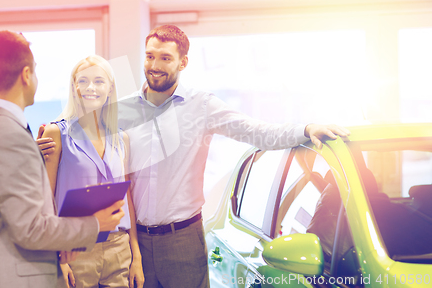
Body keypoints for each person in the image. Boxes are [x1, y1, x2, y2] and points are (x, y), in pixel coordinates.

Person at [39, 25, 350, 288]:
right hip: (133, 244)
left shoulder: (202, 106)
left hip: (183, 242)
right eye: (149, 56)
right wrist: (40, 145)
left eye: (165, 58)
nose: (155, 65)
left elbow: (257, 132)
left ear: (183, 62)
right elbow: (80, 128)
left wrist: (306, 128)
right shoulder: (121, 111)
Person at [0, 31, 125, 288]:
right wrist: (94, 225)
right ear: (26, 75)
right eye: (35, 71)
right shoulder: (11, 138)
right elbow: (30, 229)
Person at [39, 55, 144, 288]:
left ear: (110, 88)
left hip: (118, 248)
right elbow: (46, 201)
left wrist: (136, 256)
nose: (90, 87)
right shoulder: (56, 134)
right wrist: (58, 258)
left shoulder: (121, 138)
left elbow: (127, 199)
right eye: (83, 81)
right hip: (74, 250)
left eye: (98, 81)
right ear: (74, 87)